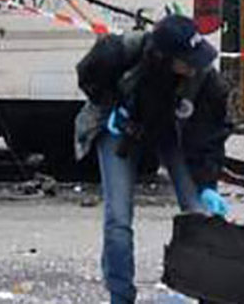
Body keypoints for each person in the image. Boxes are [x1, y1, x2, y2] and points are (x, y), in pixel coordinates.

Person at [74, 15, 231, 304]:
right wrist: (113, 107)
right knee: (118, 220)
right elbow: (88, 75)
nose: (195, 65)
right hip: (120, 129)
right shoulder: (120, 51)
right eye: (187, 59)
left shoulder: (207, 79)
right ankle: (120, 296)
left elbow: (210, 134)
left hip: (171, 132)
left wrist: (207, 183)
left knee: (199, 215)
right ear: (164, 56)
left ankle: (207, 293)